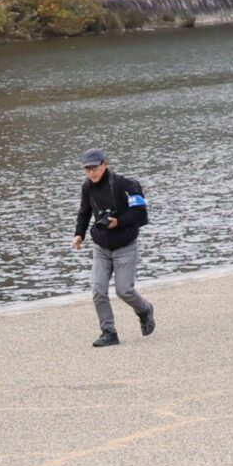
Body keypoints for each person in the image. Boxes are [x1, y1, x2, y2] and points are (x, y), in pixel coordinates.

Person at [74, 147, 154, 347]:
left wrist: (119, 222)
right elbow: (84, 212)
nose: (92, 172)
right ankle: (109, 332)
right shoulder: (87, 187)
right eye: (87, 169)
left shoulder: (123, 184)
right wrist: (79, 234)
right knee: (98, 291)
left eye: (95, 167)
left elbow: (140, 212)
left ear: (105, 164)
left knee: (124, 290)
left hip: (125, 245)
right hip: (101, 246)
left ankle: (144, 310)